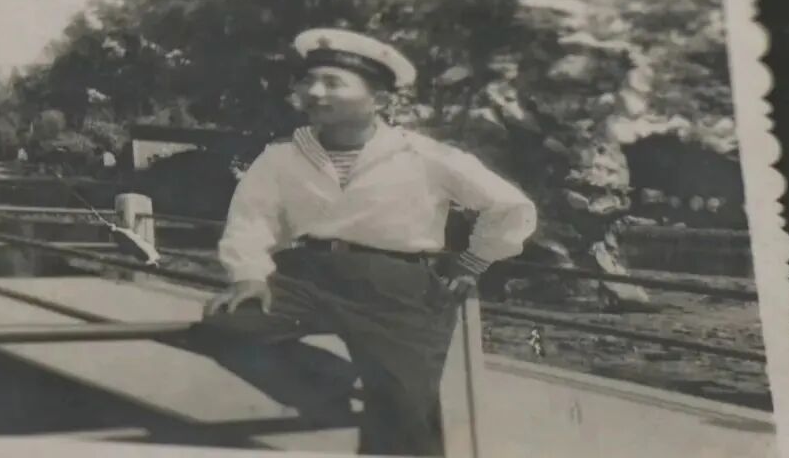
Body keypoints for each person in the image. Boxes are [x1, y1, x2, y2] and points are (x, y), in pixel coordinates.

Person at [199, 28, 537, 456]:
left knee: (405, 414)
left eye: (333, 83)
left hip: (397, 286)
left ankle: (385, 405)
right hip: (305, 276)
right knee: (225, 329)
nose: (315, 92)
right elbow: (251, 220)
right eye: (308, 81)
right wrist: (248, 275)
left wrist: (473, 261)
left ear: (377, 98)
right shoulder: (281, 156)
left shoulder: (424, 155)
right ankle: (335, 384)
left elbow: (509, 206)